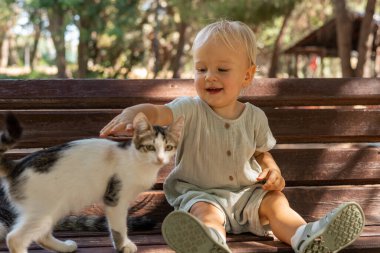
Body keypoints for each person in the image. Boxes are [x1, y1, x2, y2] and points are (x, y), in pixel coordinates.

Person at [100, 20, 365, 253]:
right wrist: (136, 111)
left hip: (248, 194)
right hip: (201, 193)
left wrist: (273, 172)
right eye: (201, 69)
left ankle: (305, 237)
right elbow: (160, 113)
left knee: (276, 204)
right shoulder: (188, 109)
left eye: (222, 70)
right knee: (205, 213)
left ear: (247, 75)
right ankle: (210, 241)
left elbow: (261, 153)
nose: (209, 77)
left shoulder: (255, 117)